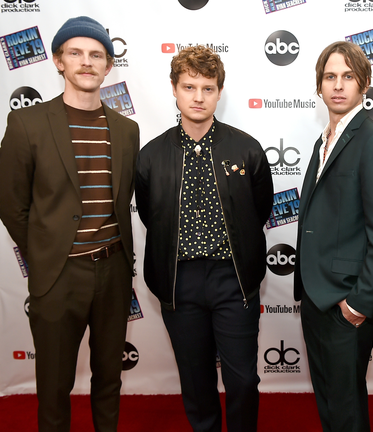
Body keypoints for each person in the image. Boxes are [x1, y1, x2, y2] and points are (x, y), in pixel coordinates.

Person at [0, 16, 140, 432]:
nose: (86, 62)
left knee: (109, 379)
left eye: (96, 54)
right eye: (75, 53)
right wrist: (47, 255)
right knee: (55, 386)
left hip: (113, 271)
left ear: (109, 65)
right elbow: (13, 207)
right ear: (59, 61)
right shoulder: (28, 124)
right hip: (58, 276)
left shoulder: (127, 130)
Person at [135, 45, 273, 432]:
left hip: (234, 280)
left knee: (243, 380)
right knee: (196, 383)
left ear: (219, 92)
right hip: (180, 283)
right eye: (189, 86)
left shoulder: (246, 149)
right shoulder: (150, 156)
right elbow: (151, 216)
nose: (198, 97)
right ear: (175, 90)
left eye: (208, 88)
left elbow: (257, 211)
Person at [294, 41, 373, 432]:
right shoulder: (323, 142)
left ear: (365, 85)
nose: (338, 85)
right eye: (330, 77)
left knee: (346, 410)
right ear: (319, 86)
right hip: (315, 297)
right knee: (329, 402)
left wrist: (359, 303)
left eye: (348, 77)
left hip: (346, 303)